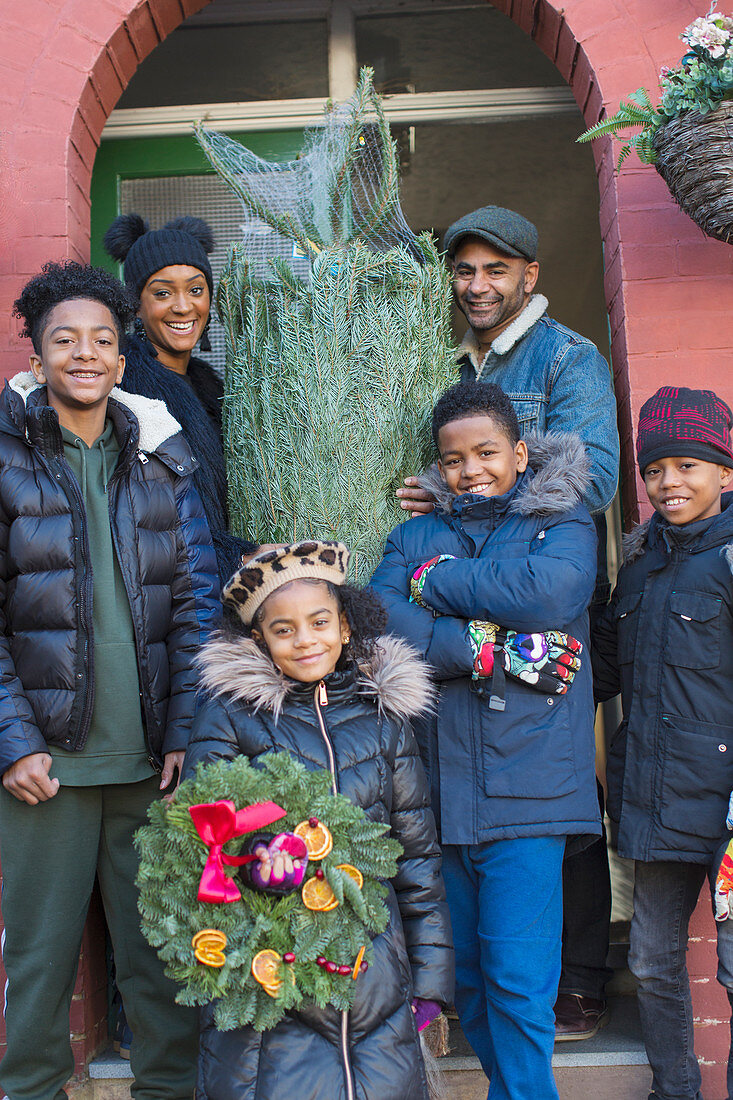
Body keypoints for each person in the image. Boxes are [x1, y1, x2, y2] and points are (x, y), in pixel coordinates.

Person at [397, 205, 618, 1037]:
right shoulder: (441, 357)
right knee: (472, 767)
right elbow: (434, 456)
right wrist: (441, 487)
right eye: (465, 271)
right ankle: (475, 990)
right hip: (468, 579)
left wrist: (486, 499)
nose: (478, 285)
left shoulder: (568, 356)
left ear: (529, 275)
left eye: (496, 270)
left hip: (539, 582)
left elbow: (592, 477)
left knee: (559, 782)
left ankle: (582, 974)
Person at [1, 261, 220, 1100]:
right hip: (44, 772)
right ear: (40, 353)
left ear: (120, 360)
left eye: (100, 340)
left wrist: (186, 735)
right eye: (65, 340)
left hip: (148, 767)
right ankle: (31, 1090)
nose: (84, 354)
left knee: (162, 954)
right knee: (40, 956)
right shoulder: (5, 455)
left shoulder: (160, 458)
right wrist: (13, 743)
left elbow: (198, 604)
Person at [371, 381, 601, 1099]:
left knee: (517, 982)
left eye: (486, 453)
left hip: (530, 791)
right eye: (453, 459)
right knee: (465, 978)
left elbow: (548, 594)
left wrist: (436, 583)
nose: (470, 470)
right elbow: (377, 616)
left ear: (520, 453)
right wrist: (481, 647)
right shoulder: (412, 535)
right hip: (441, 792)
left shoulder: (561, 519)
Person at [182, 540, 454, 1100]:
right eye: (283, 630)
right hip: (273, 977)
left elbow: (416, 857)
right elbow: (201, 841)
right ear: (259, 639)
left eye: (319, 622)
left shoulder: (384, 720)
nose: (305, 640)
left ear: (347, 627)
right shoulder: (230, 717)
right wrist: (259, 870)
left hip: (376, 975)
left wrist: (428, 982)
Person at [592, 386, 733, 1100]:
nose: (667, 483)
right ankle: (675, 1091)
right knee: (650, 962)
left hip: (729, 815)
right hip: (658, 804)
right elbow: (609, 673)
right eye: (654, 470)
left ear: (725, 473)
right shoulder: (639, 566)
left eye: (686, 465)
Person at [104, 212, 256, 582]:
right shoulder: (127, 387)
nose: (184, 306)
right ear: (136, 305)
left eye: (196, 289)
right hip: (171, 599)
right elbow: (143, 522)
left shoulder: (208, 383)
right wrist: (240, 557)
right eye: (162, 292)